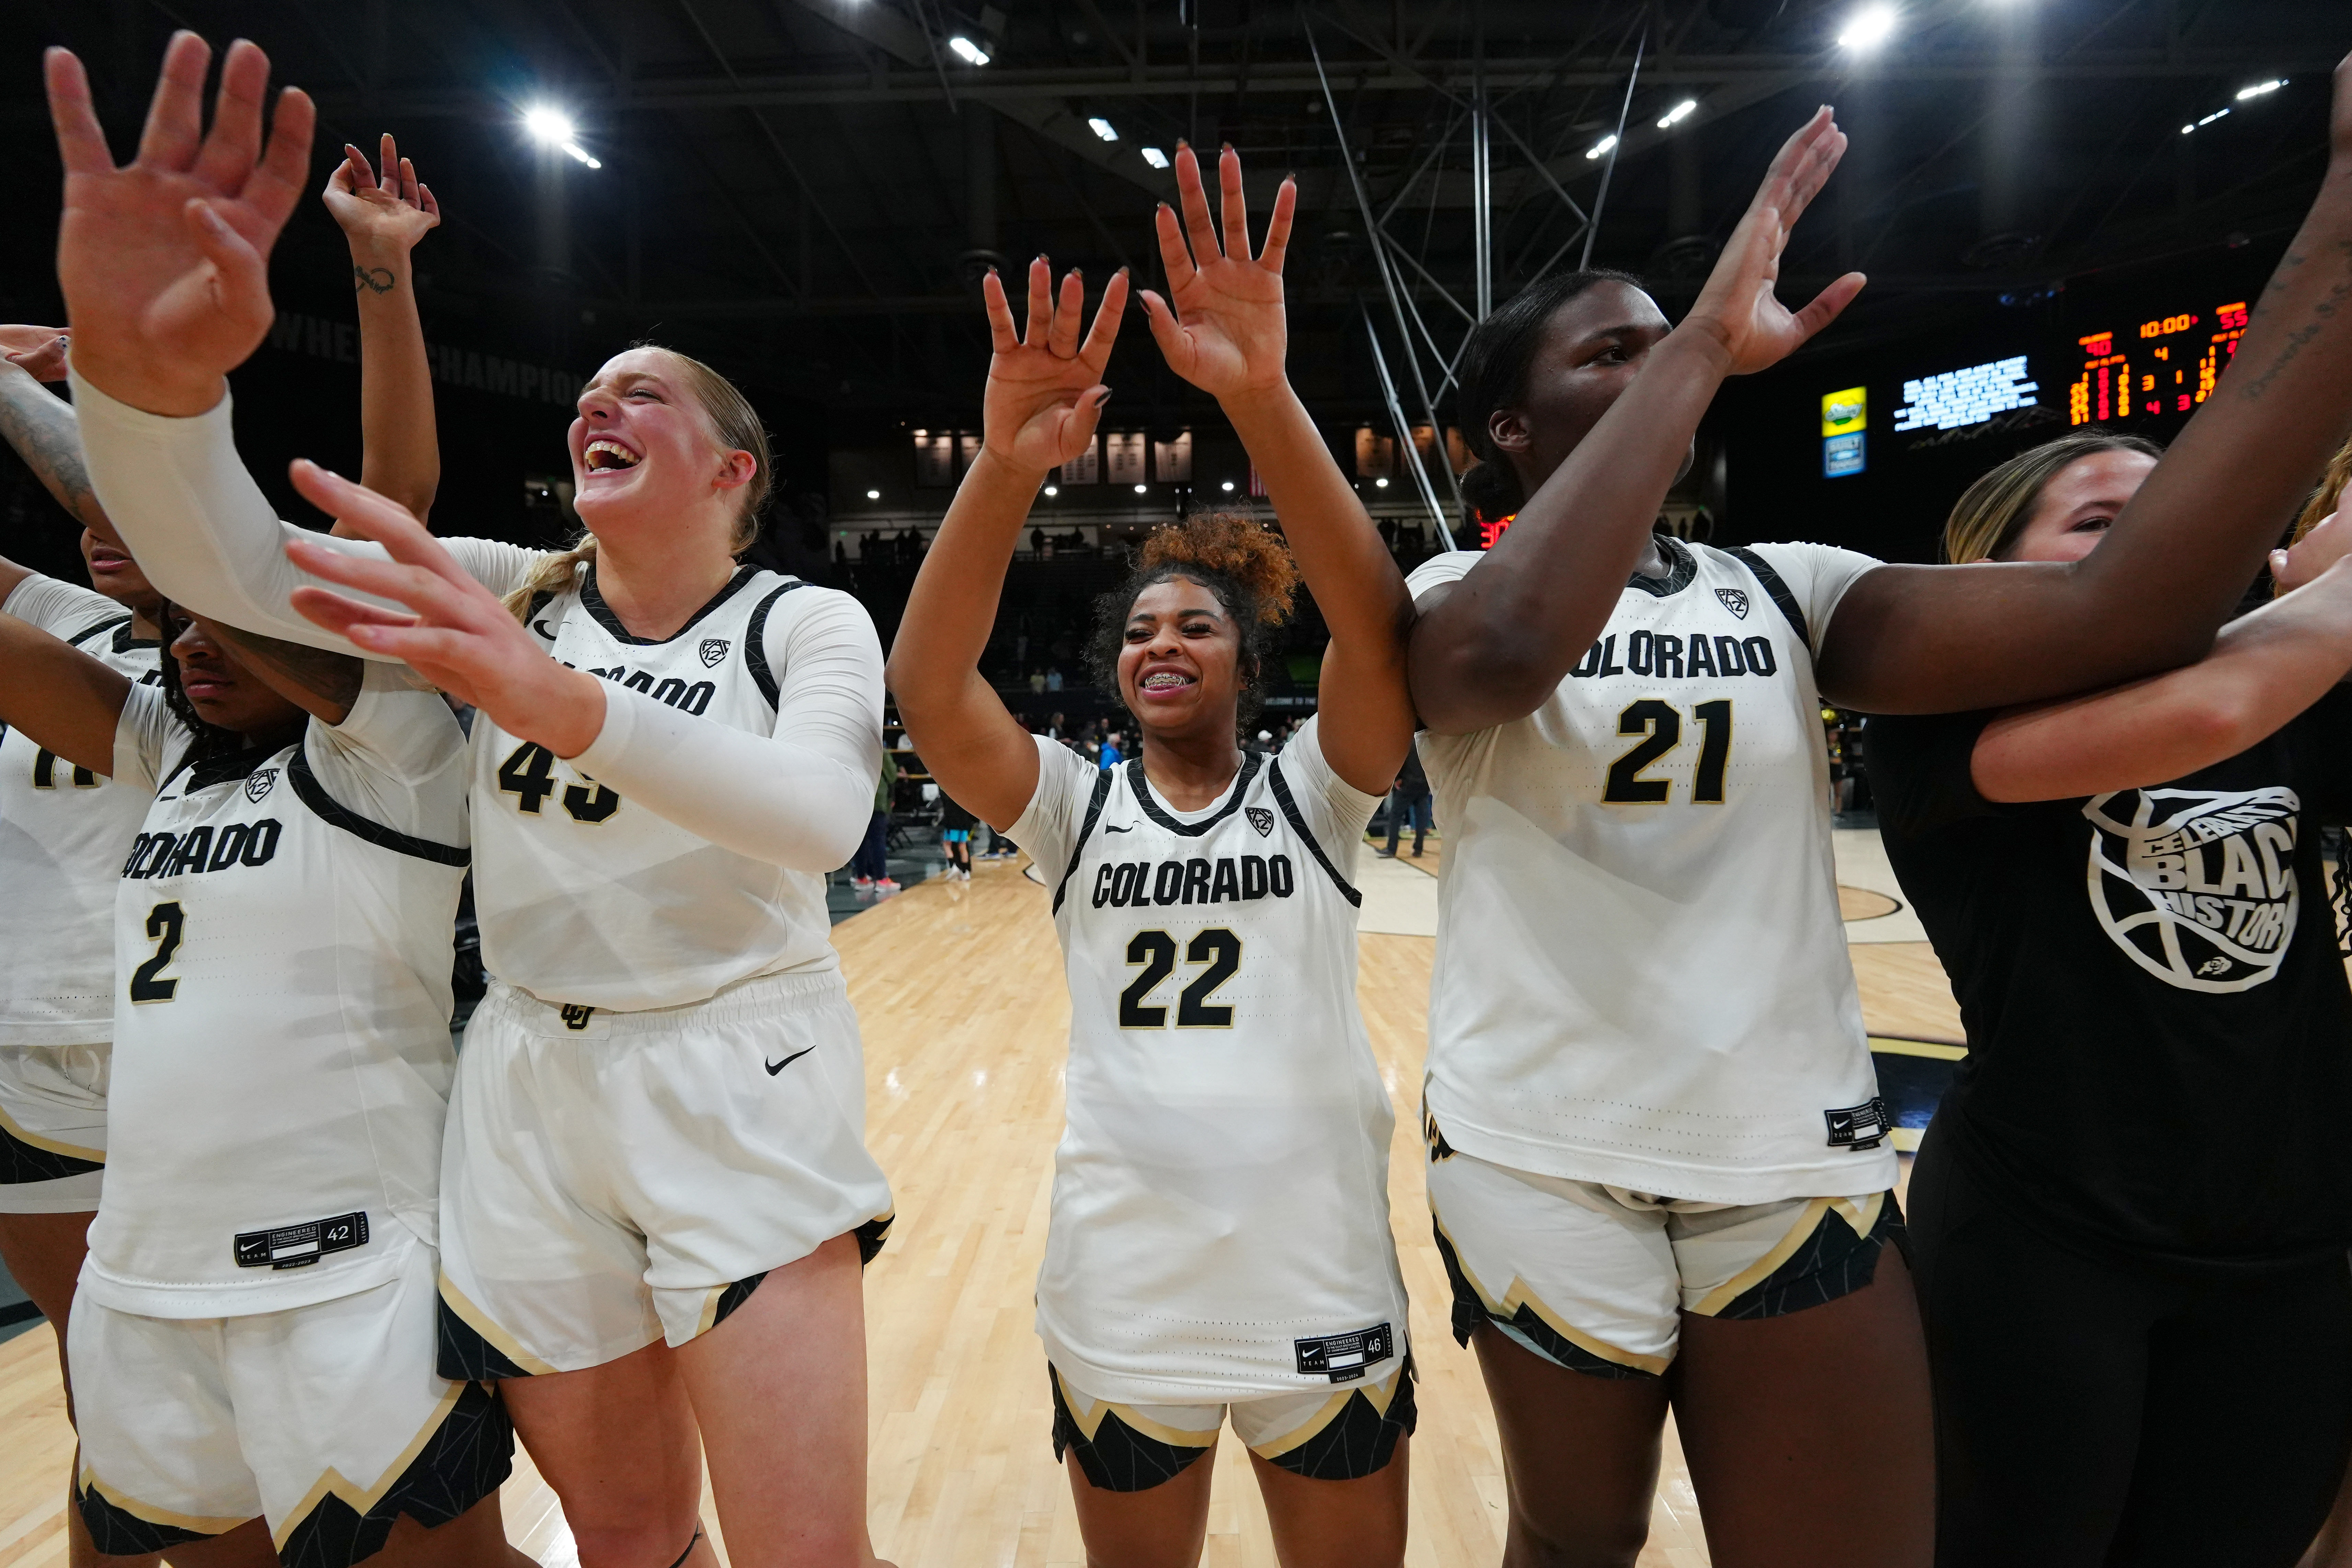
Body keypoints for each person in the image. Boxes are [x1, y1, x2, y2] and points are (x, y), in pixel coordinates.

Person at [1402, 67, 2352, 1567]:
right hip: (1542, 1148)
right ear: (1509, 428)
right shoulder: (1448, 597)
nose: (1662, 369)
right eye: (1610, 356)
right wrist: (1707, 341)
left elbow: (2135, 603)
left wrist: (2341, 228)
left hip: (1794, 1154)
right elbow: (1511, 659)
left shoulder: (1797, 585)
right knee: (1570, 1542)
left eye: (1669, 348)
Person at [48, 35, 896, 1568]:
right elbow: (232, 570)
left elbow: (823, 821)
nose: (597, 406)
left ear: (732, 468)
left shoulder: (799, 621)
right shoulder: (515, 592)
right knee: (629, 1539)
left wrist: (562, 703)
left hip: (734, 1058)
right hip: (520, 1079)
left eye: (638, 393)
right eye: (585, 396)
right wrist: (151, 398)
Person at [887, 144, 1420, 1568]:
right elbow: (932, 688)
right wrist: (1004, 471)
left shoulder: (1318, 788)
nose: (1158, 642)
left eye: (1191, 625)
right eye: (1134, 631)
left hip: (1316, 1265)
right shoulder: (1074, 807)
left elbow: (1379, 637)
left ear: (1248, 661)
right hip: (1123, 1273)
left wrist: (1259, 392)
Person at [1868, 433, 2352, 1566]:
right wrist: (2287, 575)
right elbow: (2210, 708)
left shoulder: (2288, 699)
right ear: (1995, 575)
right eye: (2100, 525)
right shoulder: (1940, 718)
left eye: (2179, 521)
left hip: (2286, 1248)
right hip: (2046, 1240)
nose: (2160, 551)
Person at [0, 590, 521, 1567]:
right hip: (150, 1271)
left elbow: (355, 511)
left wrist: (172, 494)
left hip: (339, 1270)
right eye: (176, 621)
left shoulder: (397, 754)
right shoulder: (170, 753)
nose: (196, 643)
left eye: (225, 615)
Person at [851, 748, 900, 895]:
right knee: (878, 841)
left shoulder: (854, 748)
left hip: (857, 798)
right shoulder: (880, 751)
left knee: (860, 841)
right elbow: (892, 776)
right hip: (877, 801)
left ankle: (861, 878)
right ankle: (881, 879)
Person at [1378, 746, 1430, 858]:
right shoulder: (1426, 744)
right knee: (1421, 817)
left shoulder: (1408, 744)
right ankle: (1418, 849)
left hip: (1408, 784)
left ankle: (1392, 849)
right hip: (1424, 784)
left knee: (1395, 815)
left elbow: (1400, 762)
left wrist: (1398, 779)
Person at [937, 791, 975, 880]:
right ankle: (965, 872)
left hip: (953, 824)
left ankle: (953, 866)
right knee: (963, 846)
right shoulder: (965, 796)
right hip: (965, 824)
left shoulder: (949, 796)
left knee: (947, 845)